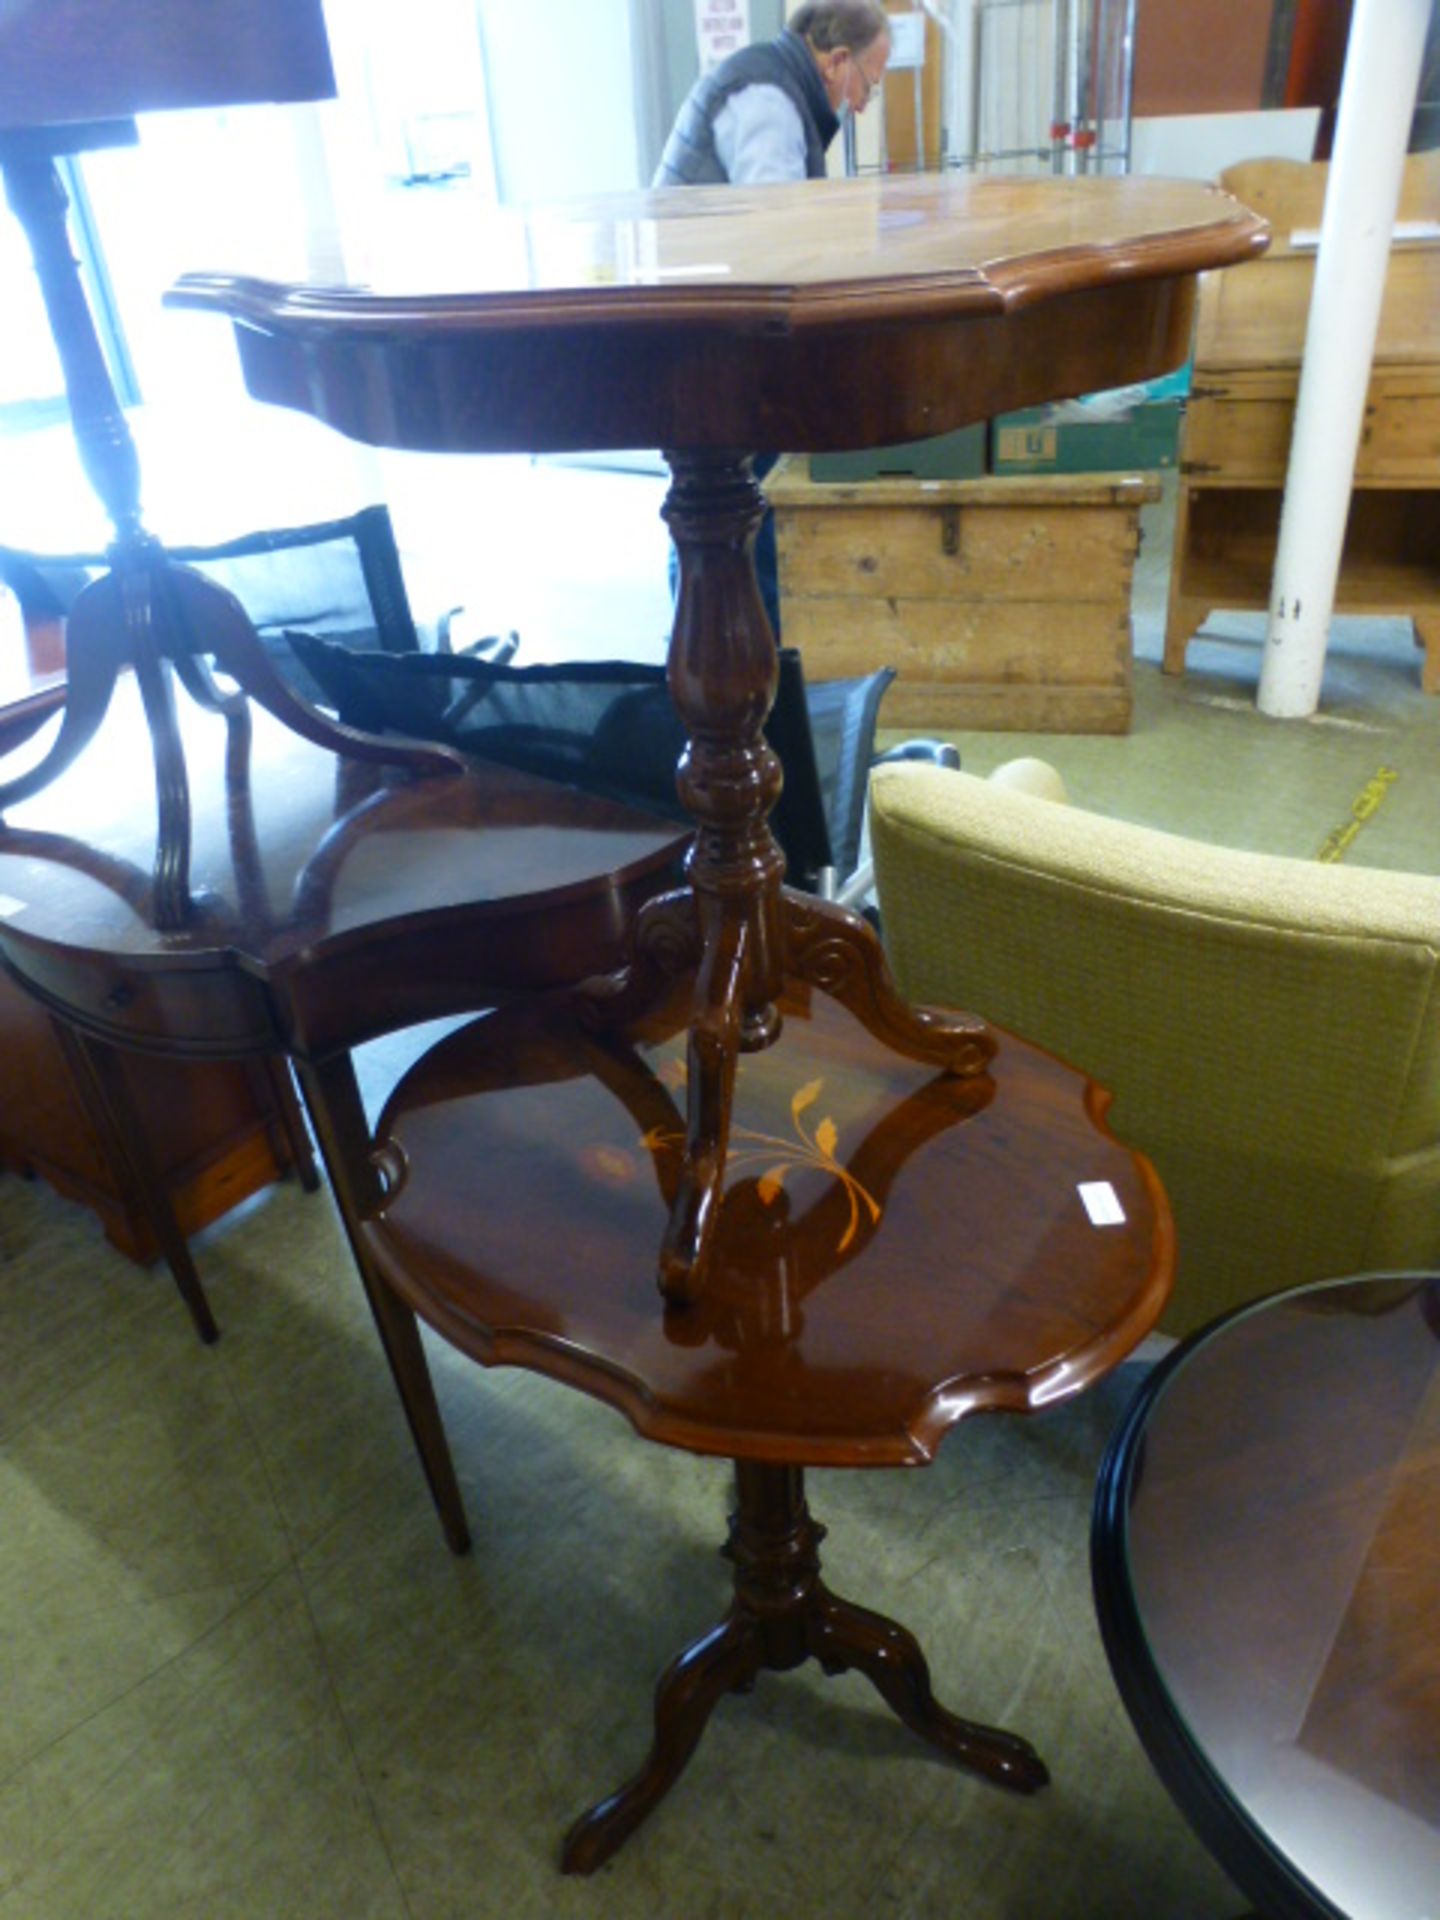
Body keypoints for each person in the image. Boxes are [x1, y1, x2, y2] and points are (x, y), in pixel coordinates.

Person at [655, 3, 892, 636]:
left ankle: (733, 671)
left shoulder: (776, 90)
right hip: (702, 351)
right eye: (868, 81)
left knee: (727, 513)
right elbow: (777, 251)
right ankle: (726, 679)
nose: (863, 103)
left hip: (707, 340)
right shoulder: (766, 102)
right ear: (835, 60)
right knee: (724, 518)